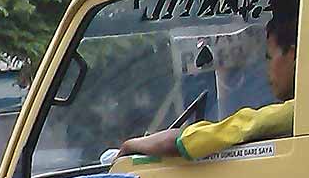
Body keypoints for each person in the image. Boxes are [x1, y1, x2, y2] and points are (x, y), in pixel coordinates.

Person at [118, 12, 297, 160]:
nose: (266, 68)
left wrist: (131, 145)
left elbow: (191, 142)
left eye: (269, 57)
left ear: (292, 54)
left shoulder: (293, 114)